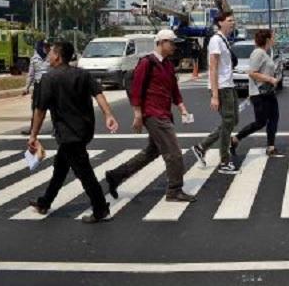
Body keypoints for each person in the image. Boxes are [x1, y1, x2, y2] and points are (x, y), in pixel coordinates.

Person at [27, 41, 119, 223]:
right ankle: (44, 202)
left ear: (58, 57)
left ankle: (101, 209)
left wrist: (33, 135)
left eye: (51, 52)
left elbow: (40, 109)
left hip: (69, 135)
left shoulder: (49, 78)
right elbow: (99, 94)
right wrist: (108, 115)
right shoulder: (83, 74)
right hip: (84, 131)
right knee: (60, 169)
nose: (49, 55)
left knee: (84, 173)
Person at [105, 29, 195, 202]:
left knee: (152, 151)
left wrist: (182, 108)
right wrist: (137, 115)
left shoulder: (168, 64)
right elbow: (137, 89)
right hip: (153, 114)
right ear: (161, 43)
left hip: (165, 113)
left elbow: (174, 90)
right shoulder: (147, 62)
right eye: (171, 43)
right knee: (174, 152)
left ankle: (116, 175)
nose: (174, 47)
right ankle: (174, 190)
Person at [192, 11, 241, 174]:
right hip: (221, 88)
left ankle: (202, 146)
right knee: (228, 122)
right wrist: (214, 95)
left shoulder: (223, 39)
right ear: (220, 23)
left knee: (233, 120)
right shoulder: (215, 40)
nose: (233, 23)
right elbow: (212, 68)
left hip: (229, 85)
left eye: (233, 20)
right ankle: (224, 162)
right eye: (229, 20)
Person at [231, 29, 285, 157]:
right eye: (273, 37)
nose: (275, 39)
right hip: (260, 94)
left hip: (268, 92)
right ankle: (235, 139)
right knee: (260, 122)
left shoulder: (265, 53)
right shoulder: (258, 53)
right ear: (267, 39)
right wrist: (270, 79)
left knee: (274, 118)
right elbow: (252, 73)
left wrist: (273, 79)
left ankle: (271, 147)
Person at [21, 40, 50, 135]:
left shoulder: (52, 57)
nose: (46, 48)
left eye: (47, 47)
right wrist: (27, 88)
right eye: (44, 47)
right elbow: (31, 75)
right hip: (39, 85)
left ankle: (57, 129)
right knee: (35, 108)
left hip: (50, 85)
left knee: (55, 108)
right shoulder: (34, 59)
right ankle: (33, 129)